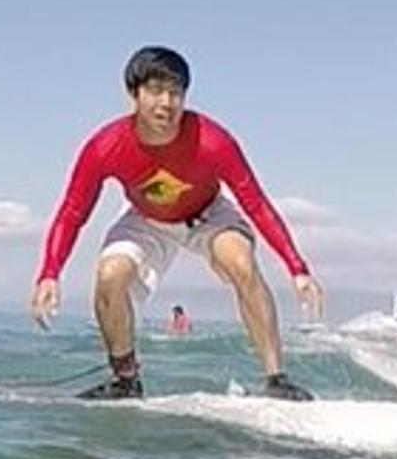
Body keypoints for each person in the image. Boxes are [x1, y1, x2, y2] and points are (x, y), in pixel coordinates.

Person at [30, 46, 324, 400]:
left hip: (208, 214)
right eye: (155, 91)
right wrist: (50, 272)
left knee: (240, 261)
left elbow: (256, 203)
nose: (166, 103)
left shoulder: (213, 140)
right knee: (110, 275)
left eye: (176, 92)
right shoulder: (105, 146)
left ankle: (277, 378)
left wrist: (297, 267)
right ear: (133, 95)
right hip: (146, 219)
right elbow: (73, 211)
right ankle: (126, 379)